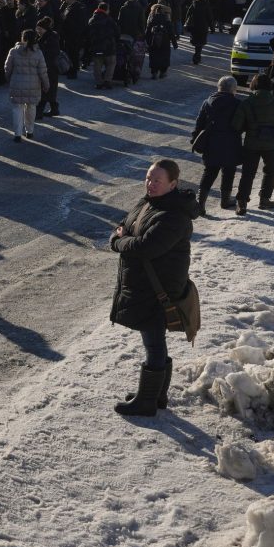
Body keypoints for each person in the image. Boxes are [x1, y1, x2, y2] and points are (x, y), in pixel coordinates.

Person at [108, 159, 196, 417]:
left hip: (159, 289)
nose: (150, 184)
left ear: (173, 184)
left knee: (154, 342)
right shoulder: (148, 202)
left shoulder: (174, 215)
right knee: (154, 341)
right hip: (147, 285)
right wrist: (122, 236)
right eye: (148, 178)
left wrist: (118, 241)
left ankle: (147, 402)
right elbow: (124, 225)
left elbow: (146, 246)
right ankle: (156, 396)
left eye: (157, 180)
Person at [232, 73, 274, 215]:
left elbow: (236, 126)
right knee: (270, 172)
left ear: (254, 85)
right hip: (271, 144)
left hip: (251, 143)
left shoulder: (246, 103)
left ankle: (242, 203)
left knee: (248, 173)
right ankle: (264, 200)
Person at [191, 76, 243, 216]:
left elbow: (199, 123)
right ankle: (225, 201)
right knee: (229, 171)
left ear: (218, 87)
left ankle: (200, 205)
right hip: (231, 143)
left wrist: (194, 138)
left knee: (209, 172)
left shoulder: (208, 102)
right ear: (233, 89)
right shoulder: (238, 104)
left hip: (211, 142)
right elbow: (242, 124)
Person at [4, 30, 49, 143]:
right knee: (31, 107)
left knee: (17, 108)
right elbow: (43, 71)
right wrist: (46, 84)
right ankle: (29, 130)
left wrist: (9, 78)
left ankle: (17, 134)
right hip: (33, 85)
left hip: (17, 83)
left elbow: (7, 67)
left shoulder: (14, 51)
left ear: (22, 38)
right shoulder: (38, 53)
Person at [88, 3, 119, 90]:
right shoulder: (109, 19)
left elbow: (87, 33)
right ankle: (107, 81)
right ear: (106, 10)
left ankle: (99, 83)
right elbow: (117, 32)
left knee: (97, 65)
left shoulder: (91, 20)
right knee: (111, 63)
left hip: (96, 46)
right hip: (109, 46)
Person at [146, 3, 174, 79]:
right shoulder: (166, 20)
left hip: (153, 41)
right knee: (164, 56)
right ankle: (163, 72)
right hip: (165, 41)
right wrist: (174, 43)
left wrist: (147, 42)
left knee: (154, 57)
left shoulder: (152, 19)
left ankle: (154, 72)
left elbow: (147, 31)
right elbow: (171, 32)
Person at [184, 0, 213, 66]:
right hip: (203, 27)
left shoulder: (194, 4)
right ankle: (197, 56)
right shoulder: (207, 5)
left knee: (196, 42)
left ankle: (197, 56)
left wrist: (187, 22)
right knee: (200, 43)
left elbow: (188, 14)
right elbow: (210, 17)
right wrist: (212, 27)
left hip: (194, 26)